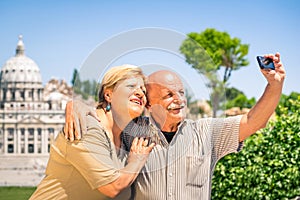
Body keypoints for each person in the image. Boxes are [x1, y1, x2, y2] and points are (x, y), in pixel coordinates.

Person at [65, 53, 285, 199]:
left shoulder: (206, 132)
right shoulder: (132, 132)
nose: (179, 100)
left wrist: (274, 85)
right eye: (169, 95)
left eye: (181, 92)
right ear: (149, 105)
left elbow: (254, 121)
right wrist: (76, 106)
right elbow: (106, 113)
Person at [29, 65, 155, 200]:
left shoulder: (128, 137)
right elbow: (112, 187)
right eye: (131, 86)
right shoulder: (85, 126)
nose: (140, 93)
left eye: (143, 91)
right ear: (108, 95)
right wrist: (137, 160)